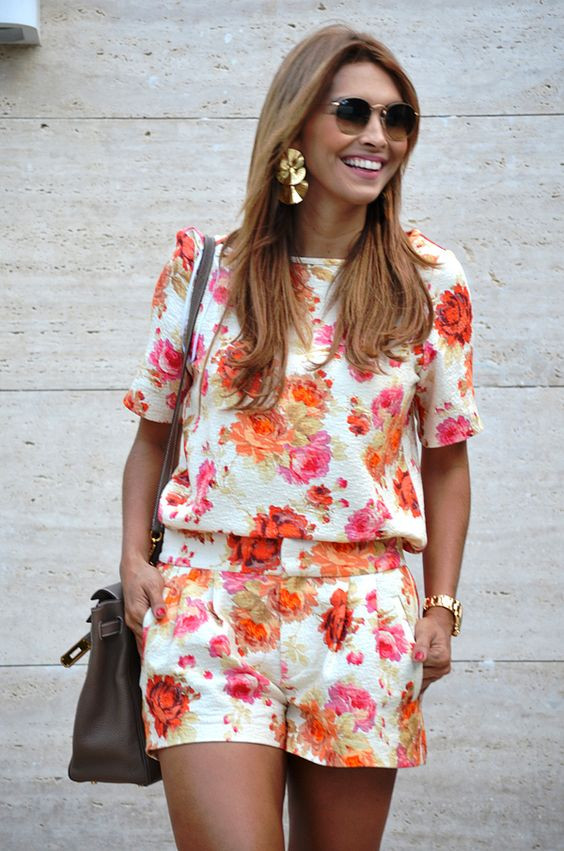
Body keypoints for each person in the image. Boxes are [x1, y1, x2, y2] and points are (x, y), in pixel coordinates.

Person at [120, 23, 483, 851]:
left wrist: (442, 605)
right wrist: (136, 561)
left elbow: (448, 458)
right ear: (296, 123)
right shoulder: (206, 267)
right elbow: (153, 433)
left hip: (362, 616)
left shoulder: (431, 280)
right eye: (352, 111)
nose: (376, 137)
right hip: (208, 606)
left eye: (398, 120)